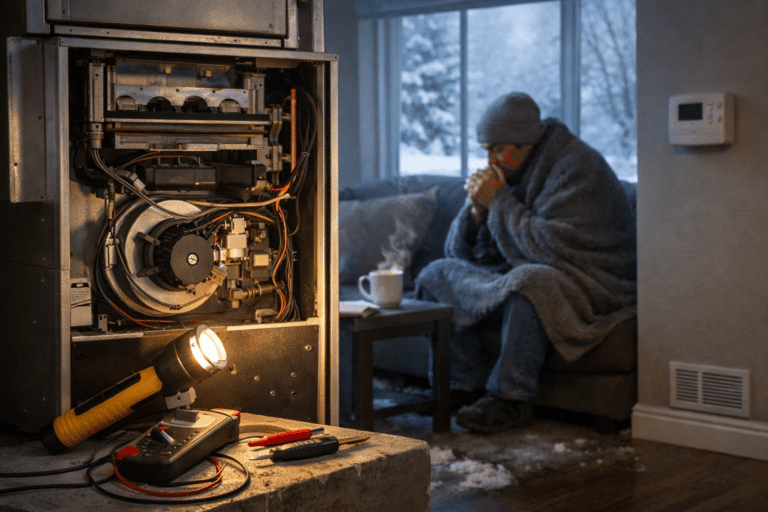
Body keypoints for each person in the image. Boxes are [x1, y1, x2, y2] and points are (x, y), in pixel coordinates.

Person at [415, 92, 637, 434]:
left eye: (498, 149)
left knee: (531, 281)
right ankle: (464, 385)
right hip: (525, 267)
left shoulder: (578, 167)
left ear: (526, 144)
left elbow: (556, 249)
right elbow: (463, 254)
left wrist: (499, 202)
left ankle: (510, 398)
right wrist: (478, 210)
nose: (489, 160)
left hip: (591, 281)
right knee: (437, 274)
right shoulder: (507, 171)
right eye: (485, 149)